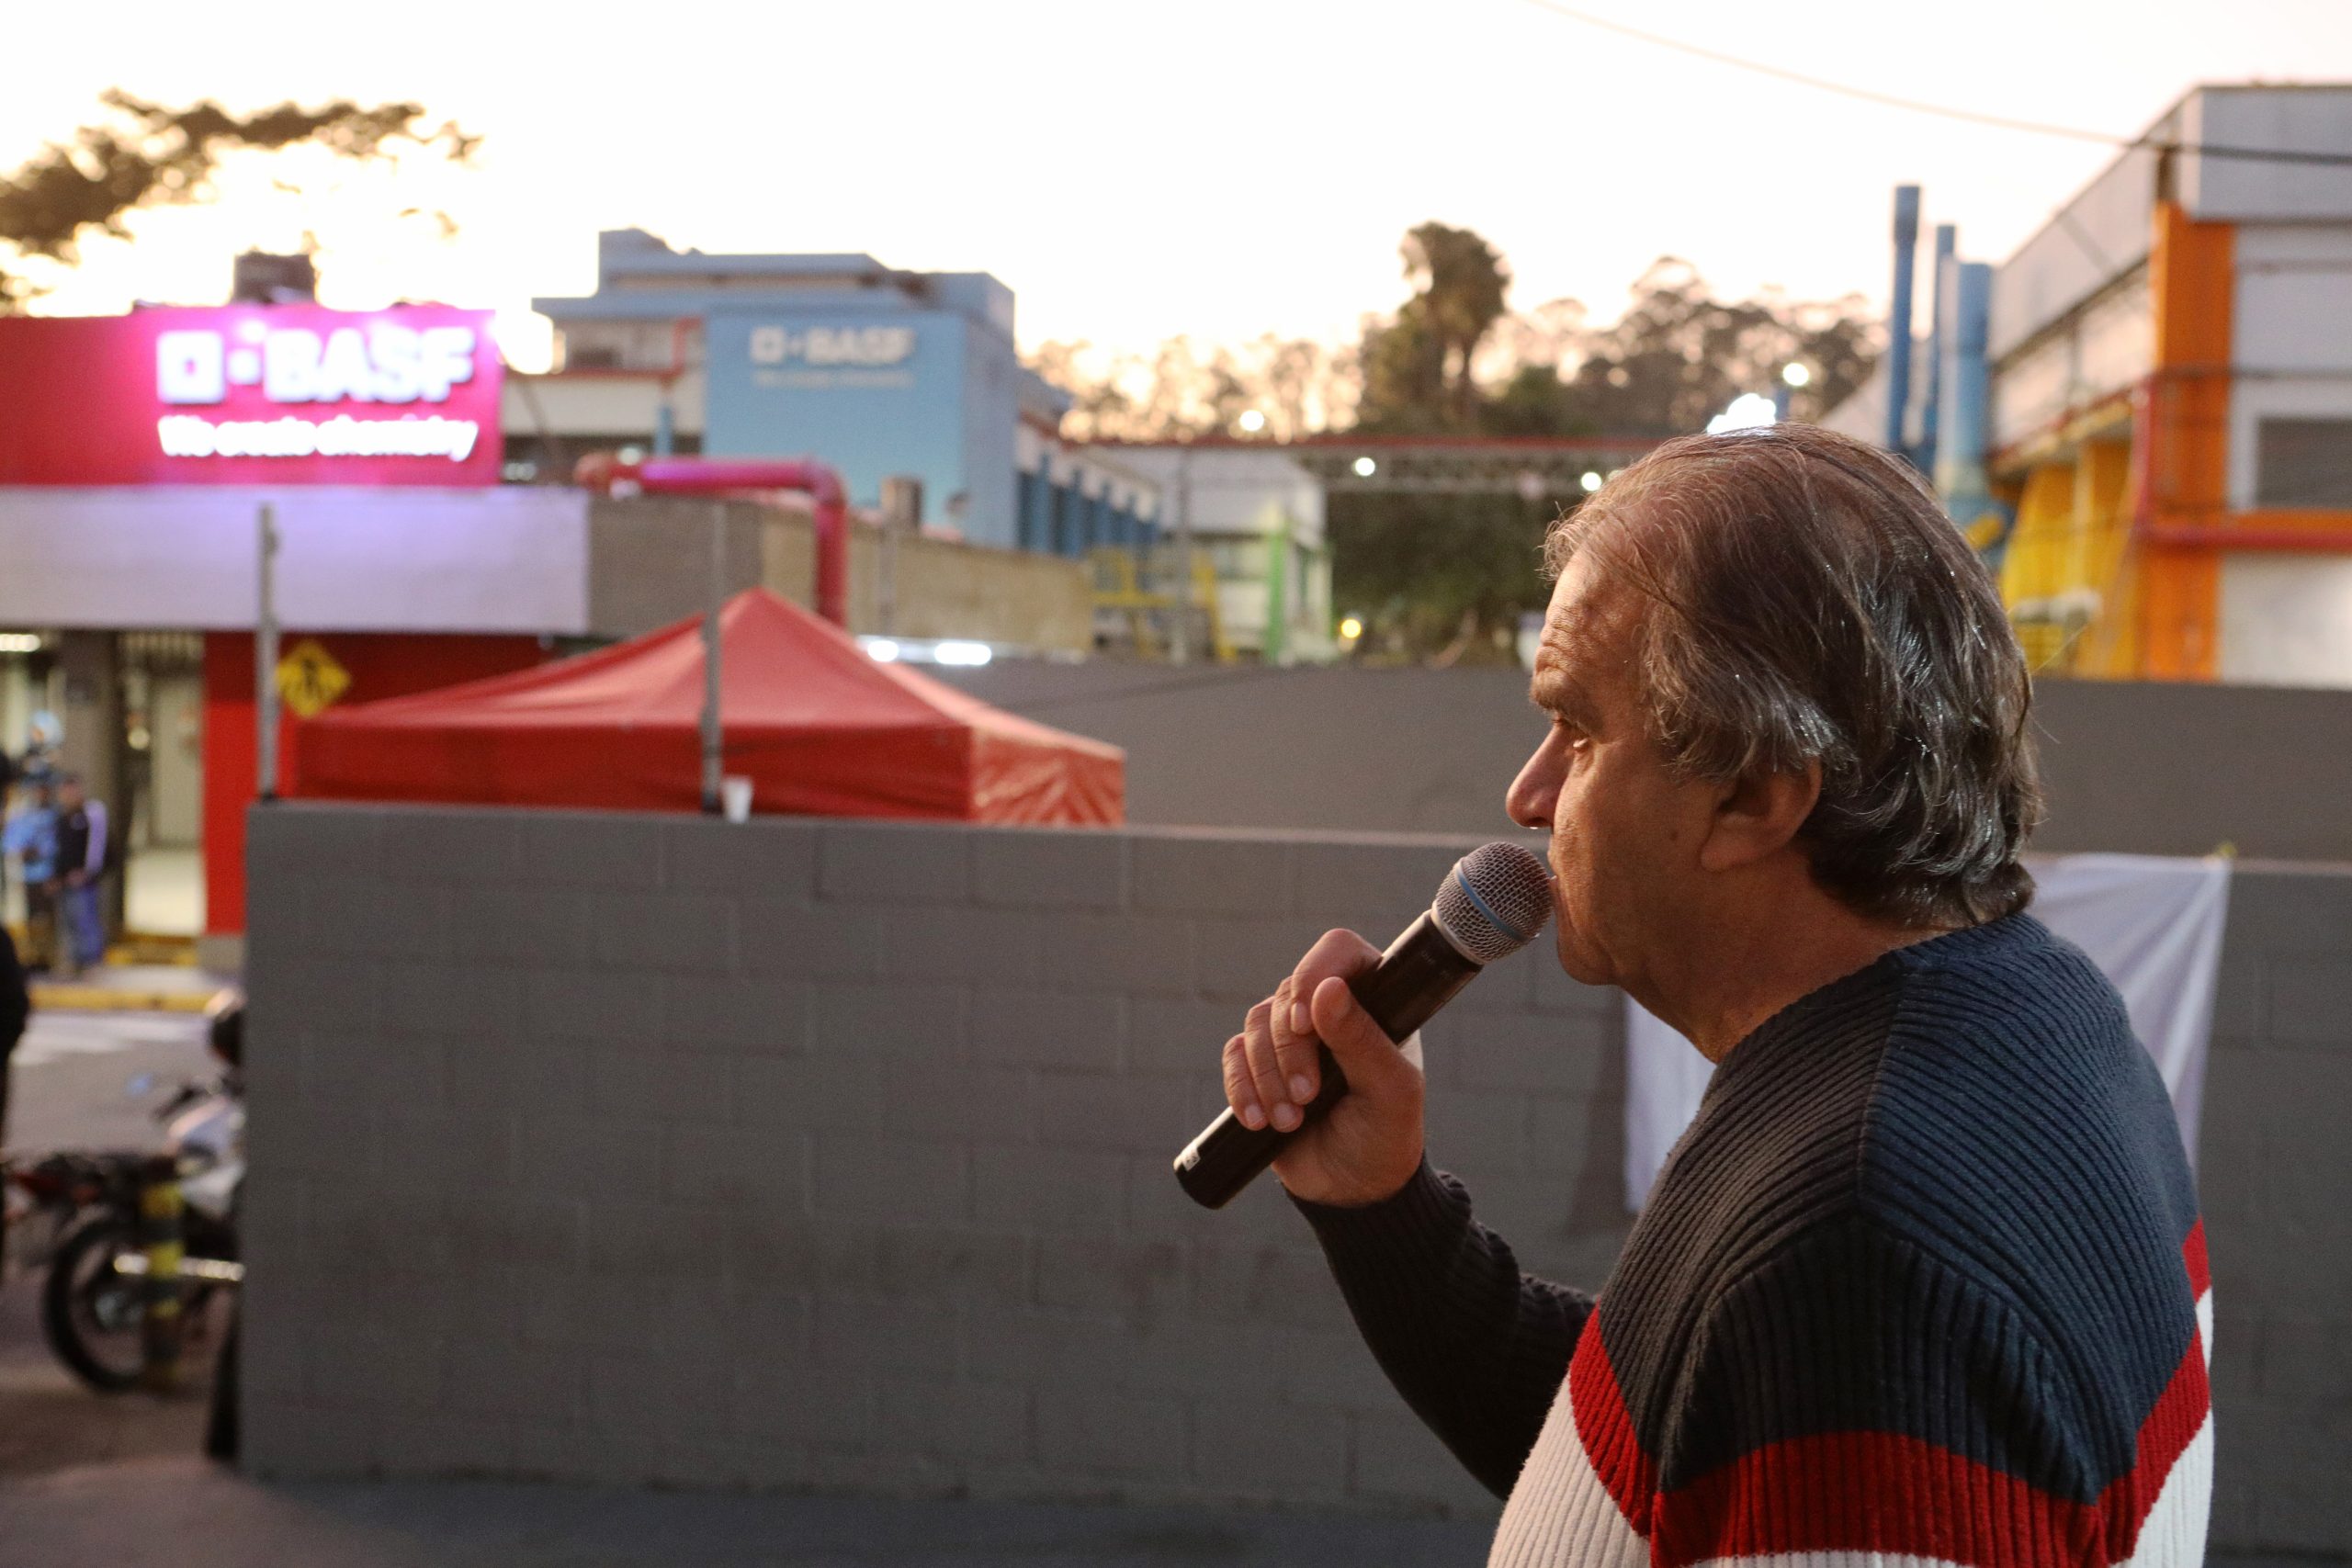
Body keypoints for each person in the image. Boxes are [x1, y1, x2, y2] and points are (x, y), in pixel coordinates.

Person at [1222, 424, 2208, 1564]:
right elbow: (1697, 1452)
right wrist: (1382, 1207)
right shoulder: (2033, 1012)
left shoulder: (1857, 1242)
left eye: (1579, 730)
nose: (1527, 794)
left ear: (1751, 796)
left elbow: (1826, 1390)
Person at [51, 773, 108, 978]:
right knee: (68, 921)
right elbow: (58, 850)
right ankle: (73, 960)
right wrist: (56, 876)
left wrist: (88, 871)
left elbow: (98, 846)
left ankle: (92, 960)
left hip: (83, 880)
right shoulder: (61, 818)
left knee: (85, 919)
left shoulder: (91, 814)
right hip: (64, 879)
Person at [4, 780, 58, 974]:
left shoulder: (54, 816)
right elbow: (11, 844)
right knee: (30, 919)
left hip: (46, 874)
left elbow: (56, 845)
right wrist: (23, 852)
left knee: (46, 919)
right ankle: (32, 957)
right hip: (28, 875)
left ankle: (47, 958)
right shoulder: (23, 817)